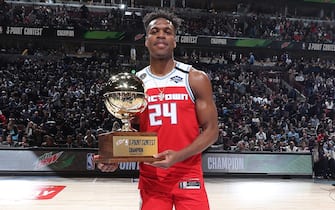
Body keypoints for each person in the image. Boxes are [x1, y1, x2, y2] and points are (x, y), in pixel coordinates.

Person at [95, 10, 219, 210]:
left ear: (175, 40)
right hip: (152, 179)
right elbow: (131, 129)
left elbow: (212, 131)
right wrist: (115, 156)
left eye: (167, 31)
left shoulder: (194, 78)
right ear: (146, 40)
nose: (161, 35)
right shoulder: (136, 84)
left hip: (188, 174)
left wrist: (177, 156)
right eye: (155, 31)